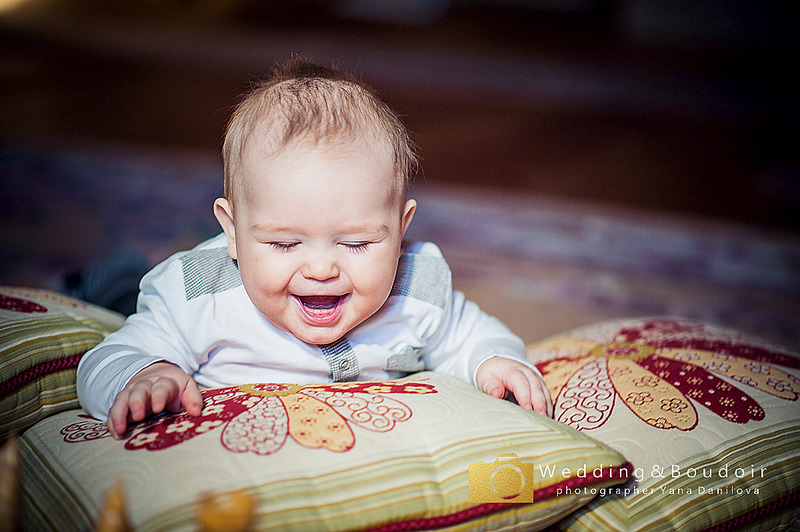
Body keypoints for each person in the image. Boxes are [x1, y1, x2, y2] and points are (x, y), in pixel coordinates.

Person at [77, 59, 552, 440]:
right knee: (110, 303)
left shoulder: (416, 288)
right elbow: (103, 361)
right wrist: (144, 374)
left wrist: (494, 361)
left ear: (401, 230)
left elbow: (471, 337)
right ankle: (111, 281)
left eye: (356, 243)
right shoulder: (197, 294)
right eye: (285, 243)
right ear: (233, 234)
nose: (322, 268)